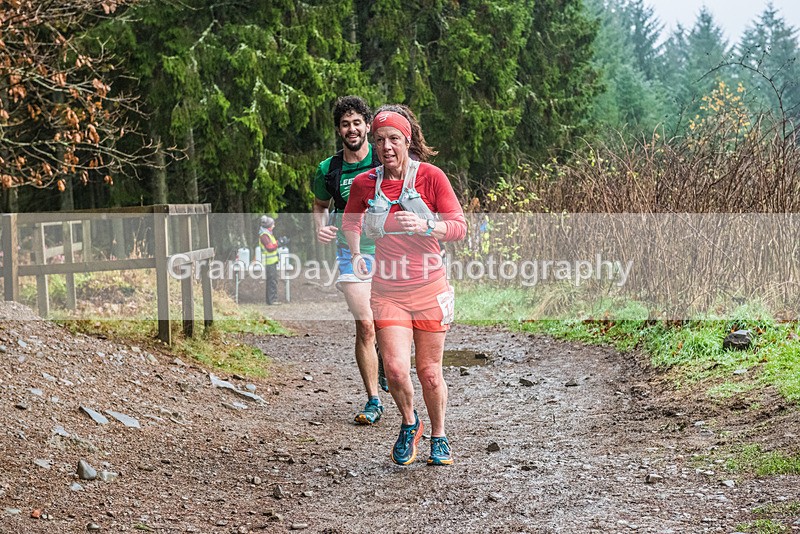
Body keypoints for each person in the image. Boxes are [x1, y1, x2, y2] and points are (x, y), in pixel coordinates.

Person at [343, 109, 467, 466]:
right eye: (379, 140)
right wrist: (355, 253)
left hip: (429, 288)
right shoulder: (366, 183)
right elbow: (352, 220)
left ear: (408, 140)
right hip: (387, 291)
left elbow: (459, 226)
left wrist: (428, 225)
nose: (386, 146)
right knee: (396, 370)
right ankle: (410, 422)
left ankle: (439, 436)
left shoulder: (431, 177)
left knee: (429, 373)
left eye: (394, 139)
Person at [312, 96, 384, 425]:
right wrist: (321, 227)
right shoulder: (329, 169)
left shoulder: (385, 158)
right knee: (366, 324)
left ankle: (386, 363)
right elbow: (319, 205)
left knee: (386, 322)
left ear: (367, 126)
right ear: (338, 130)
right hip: (350, 251)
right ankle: (374, 400)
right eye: (345, 124)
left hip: (389, 250)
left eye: (357, 122)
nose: (351, 129)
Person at [258, 215, 279, 305]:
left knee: (273, 280)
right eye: (272, 224)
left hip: (272, 261)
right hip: (269, 262)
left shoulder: (268, 234)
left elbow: (272, 244)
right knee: (272, 281)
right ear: (269, 226)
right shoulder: (264, 235)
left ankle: (272, 300)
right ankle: (271, 300)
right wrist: (279, 244)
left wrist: (279, 242)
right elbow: (270, 247)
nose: (274, 226)